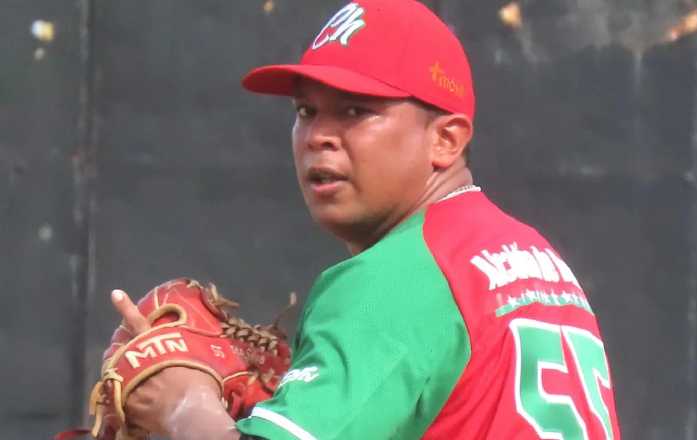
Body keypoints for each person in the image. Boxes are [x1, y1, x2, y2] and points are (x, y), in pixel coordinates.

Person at [110, 0, 622, 439]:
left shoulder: (399, 279)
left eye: (355, 111)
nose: (318, 136)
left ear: (446, 139)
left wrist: (184, 404)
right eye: (306, 111)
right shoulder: (531, 257)